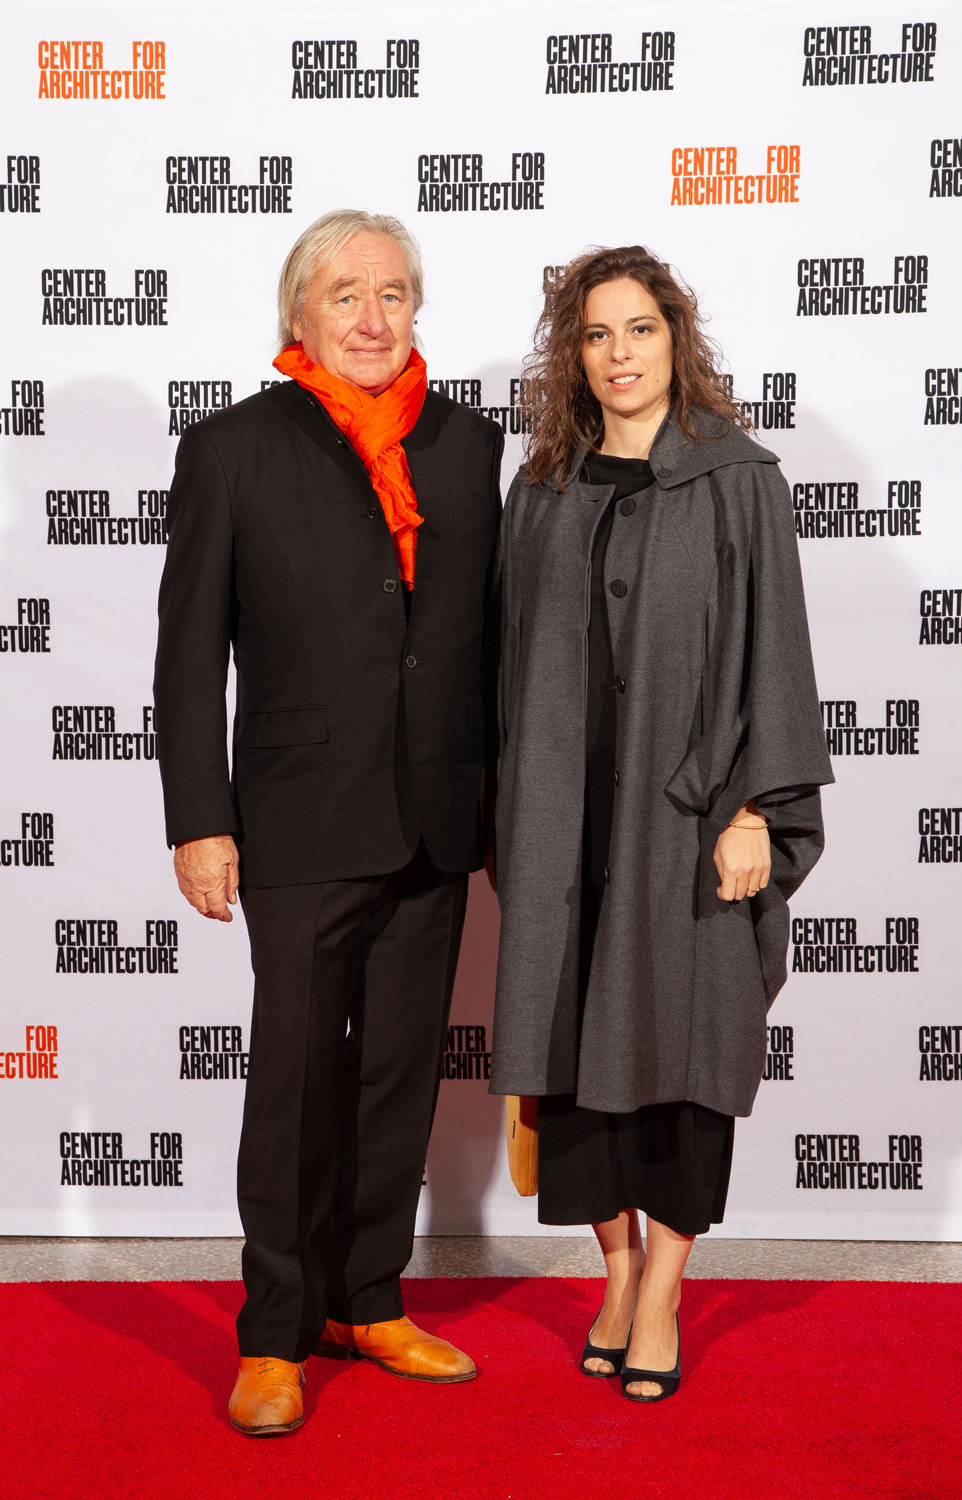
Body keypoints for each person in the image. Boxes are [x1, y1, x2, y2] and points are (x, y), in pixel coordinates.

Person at [154, 210, 503, 1435]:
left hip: (434, 817)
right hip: (298, 817)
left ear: (418, 311)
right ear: (299, 313)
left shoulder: (469, 446)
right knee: (296, 1076)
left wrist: (501, 810)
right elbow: (190, 653)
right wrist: (199, 817)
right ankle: (272, 1330)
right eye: (346, 295)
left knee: (401, 1071)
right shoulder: (235, 448)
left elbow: (483, 645)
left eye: (394, 294)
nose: (372, 318)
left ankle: (368, 1293)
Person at [488, 245, 833, 1402]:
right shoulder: (541, 488)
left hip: (685, 827)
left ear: (675, 337)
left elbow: (774, 655)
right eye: (594, 335)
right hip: (562, 823)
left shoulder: (739, 478)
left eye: (638, 329)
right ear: (570, 356)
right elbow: (508, 668)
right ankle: (617, 1269)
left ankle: (667, 1288)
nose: (618, 354)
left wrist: (754, 809)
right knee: (573, 1066)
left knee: (685, 1055)